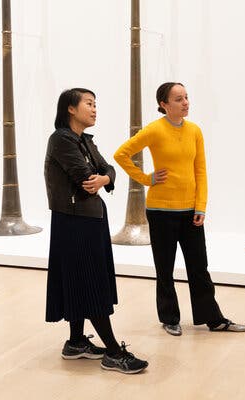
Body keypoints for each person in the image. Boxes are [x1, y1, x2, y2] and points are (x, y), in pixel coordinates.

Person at [113, 82, 245, 336]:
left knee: (199, 267)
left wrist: (201, 206)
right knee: (164, 268)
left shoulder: (195, 131)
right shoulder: (154, 130)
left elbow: (201, 171)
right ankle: (169, 318)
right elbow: (121, 154)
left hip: (190, 212)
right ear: (164, 104)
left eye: (186, 97)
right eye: (178, 99)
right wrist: (146, 179)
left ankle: (214, 319)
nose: (185, 102)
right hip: (160, 211)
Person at [44, 88, 148, 374]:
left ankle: (76, 342)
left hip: (89, 218)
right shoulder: (61, 140)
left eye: (95, 104)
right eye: (88, 104)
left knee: (82, 279)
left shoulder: (84, 140)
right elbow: (84, 178)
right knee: (89, 282)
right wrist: (100, 177)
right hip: (74, 220)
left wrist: (104, 178)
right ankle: (113, 352)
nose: (94, 109)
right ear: (70, 109)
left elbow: (108, 170)